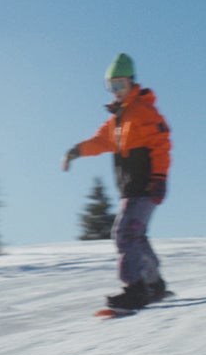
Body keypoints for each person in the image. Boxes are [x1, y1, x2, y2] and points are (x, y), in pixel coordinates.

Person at [63, 53, 172, 311]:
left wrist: (159, 177)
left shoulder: (143, 111)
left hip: (145, 186)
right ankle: (154, 284)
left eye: (120, 84)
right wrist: (76, 151)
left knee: (124, 234)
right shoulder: (116, 121)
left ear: (132, 82)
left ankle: (135, 289)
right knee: (136, 235)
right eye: (111, 86)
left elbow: (161, 144)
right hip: (129, 189)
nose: (116, 91)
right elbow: (100, 142)